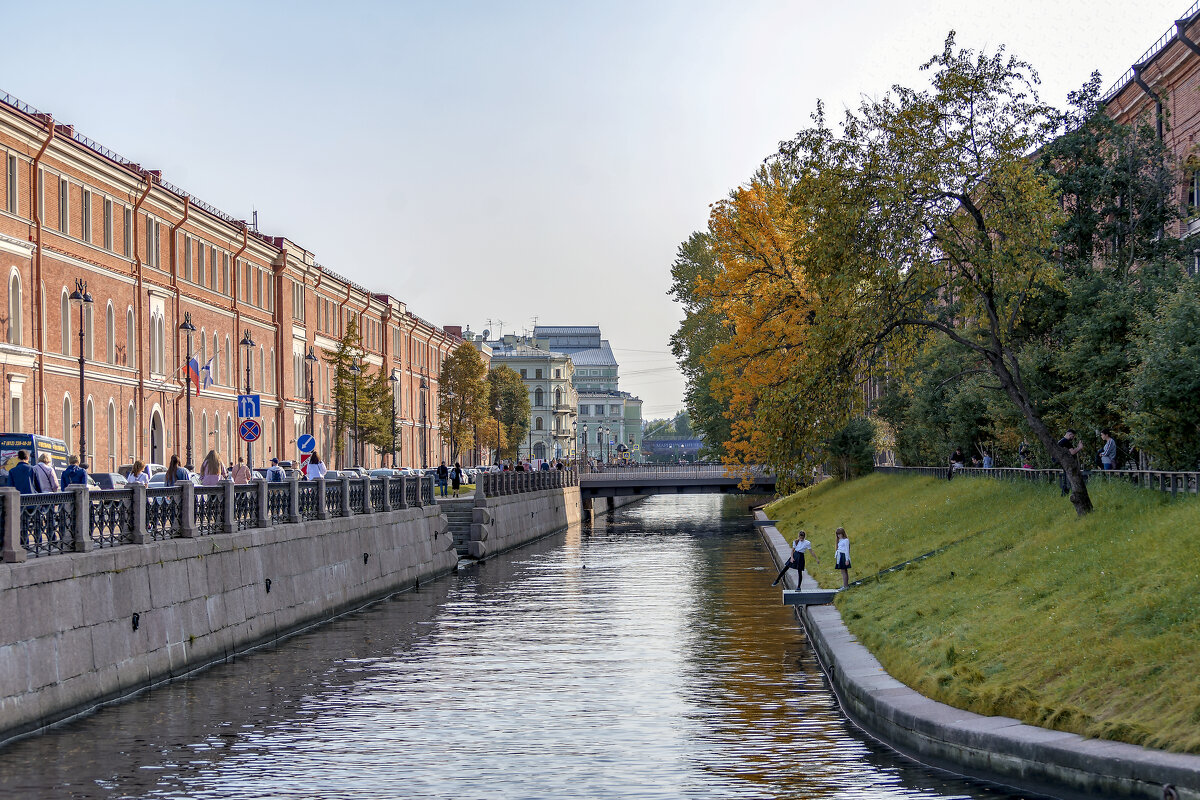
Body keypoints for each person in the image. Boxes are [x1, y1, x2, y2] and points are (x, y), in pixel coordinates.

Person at [1056, 429, 1085, 495]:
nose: (1073, 438)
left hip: (1060, 461)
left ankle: (1065, 493)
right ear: (1070, 434)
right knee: (1069, 478)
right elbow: (1072, 452)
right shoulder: (1066, 442)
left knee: (1066, 478)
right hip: (1065, 462)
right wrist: (1079, 447)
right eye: (1072, 436)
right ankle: (1067, 493)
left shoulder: (1060, 441)